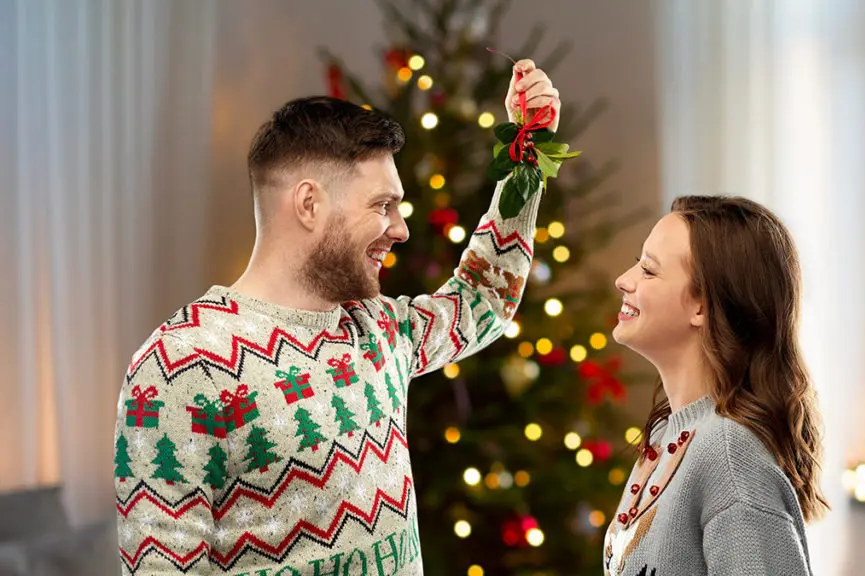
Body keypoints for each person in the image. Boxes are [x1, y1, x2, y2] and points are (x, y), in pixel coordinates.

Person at [113, 59, 559, 575]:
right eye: (383, 205)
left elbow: (484, 299)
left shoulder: (377, 329)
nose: (400, 230)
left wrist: (527, 155)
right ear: (309, 204)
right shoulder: (181, 364)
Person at [602, 195, 828, 575]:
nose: (623, 280)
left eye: (649, 270)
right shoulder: (665, 435)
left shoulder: (728, 456)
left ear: (702, 306)